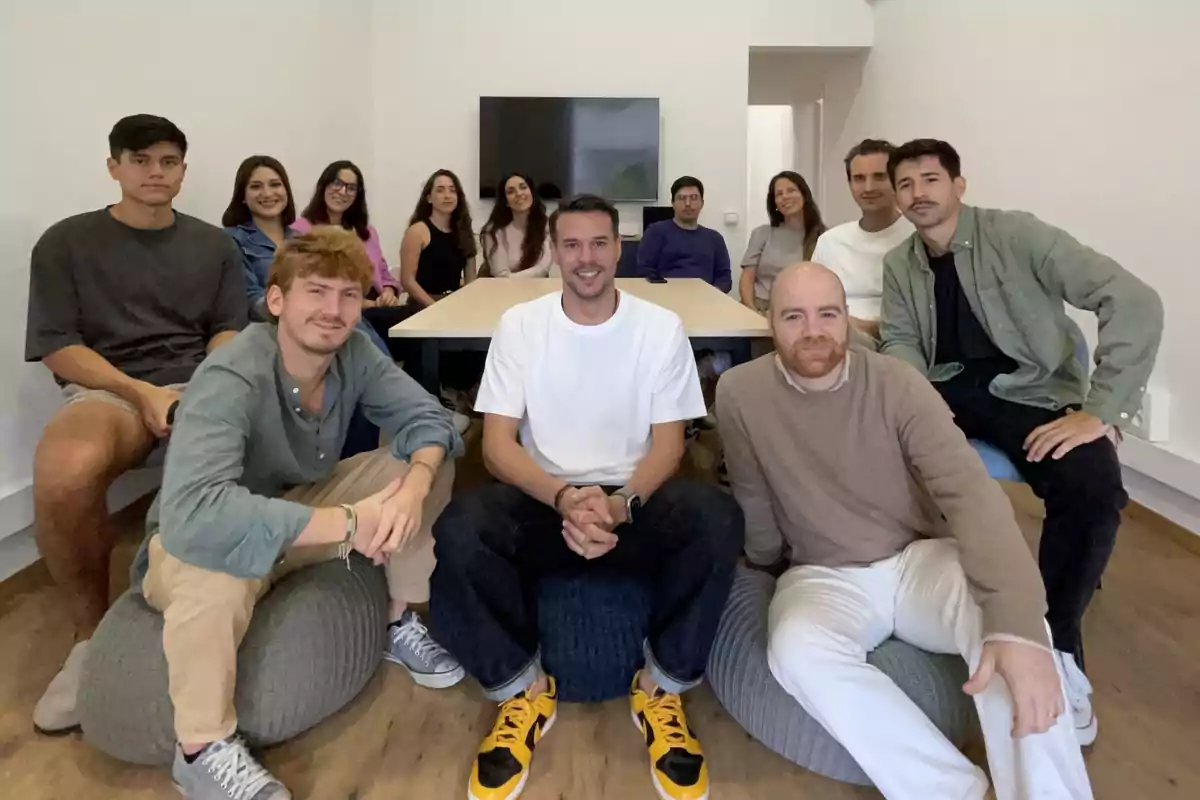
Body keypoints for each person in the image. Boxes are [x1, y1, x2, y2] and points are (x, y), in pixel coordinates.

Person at [718, 263, 1095, 800]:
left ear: (847, 318)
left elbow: (970, 492)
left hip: (917, 559)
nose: (813, 331)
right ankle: (948, 789)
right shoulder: (739, 391)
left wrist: (1018, 627)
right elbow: (752, 493)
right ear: (768, 321)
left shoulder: (896, 382)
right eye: (793, 316)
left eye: (828, 314)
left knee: (1010, 628)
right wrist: (760, 563)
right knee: (793, 649)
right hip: (822, 574)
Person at [131, 226, 466, 800]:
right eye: (316, 292)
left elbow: (432, 421)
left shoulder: (354, 351)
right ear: (278, 300)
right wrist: (352, 525)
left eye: (348, 295)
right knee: (215, 573)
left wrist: (411, 490)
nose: (333, 311)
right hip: (202, 533)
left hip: (298, 512)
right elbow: (198, 510)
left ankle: (393, 618)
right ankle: (201, 748)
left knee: (419, 464)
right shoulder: (231, 374)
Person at [430, 195, 744, 800]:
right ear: (554, 251)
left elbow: (669, 446)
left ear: (618, 248)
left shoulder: (659, 328)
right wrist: (564, 498)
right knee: (460, 528)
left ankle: (662, 687)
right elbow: (497, 445)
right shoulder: (522, 325)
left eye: (599, 243)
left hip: (633, 499)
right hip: (544, 499)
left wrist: (622, 503)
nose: (587, 258)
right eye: (571, 245)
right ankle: (521, 689)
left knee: (717, 517)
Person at [879, 139, 1163, 745]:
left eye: (930, 179)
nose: (917, 194)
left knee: (1093, 484)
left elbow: (1134, 301)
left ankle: (1056, 644)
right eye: (904, 184)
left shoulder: (1020, 236)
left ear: (959, 184)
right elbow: (901, 342)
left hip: (1030, 393)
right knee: (884, 449)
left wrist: (1100, 410)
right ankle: (913, 607)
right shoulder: (900, 263)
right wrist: (910, 399)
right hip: (946, 392)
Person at [25, 114, 248, 736]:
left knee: (229, 466)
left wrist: (204, 389)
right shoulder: (66, 243)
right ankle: (90, 638)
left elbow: (227, 330)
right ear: (114, 166)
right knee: (64, 471)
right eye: (141, 159)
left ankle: (199, 627)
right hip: (109, 389)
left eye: (169, 161)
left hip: (197, 384)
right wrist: (138, 392)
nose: (156, 172)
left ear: (183, 169)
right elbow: (57, 346)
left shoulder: (213, 245)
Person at [292, 160, 403, 352]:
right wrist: (362, 302)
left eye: (351, 188)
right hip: (344, 309)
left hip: (378, 306)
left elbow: (384, 273)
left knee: (419, 328)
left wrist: (389, 292)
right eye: (337, 183)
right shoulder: (301, 230)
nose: (343, 192)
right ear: (323, 186)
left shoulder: (366, 232)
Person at [811, 139, 913, 338]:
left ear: (898, 180)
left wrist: (865, 327)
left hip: (895, 342)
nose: (868, 187)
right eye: (859, 178)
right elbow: (811, 300)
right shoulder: (830, 242)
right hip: (831, 339)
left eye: (879, 177)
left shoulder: (918, 238)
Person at [739, 170, 826, 313]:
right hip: (760, 306)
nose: (785, 197)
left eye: (791, 190)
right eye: (779, 194)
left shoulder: (823, 236)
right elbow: (747, 280)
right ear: (774, 203)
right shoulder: (762, 233)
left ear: (804, 195)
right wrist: (752, 312)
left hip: (801, 310)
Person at [637, 176, 732, 292]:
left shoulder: (715, 238)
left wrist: (713, 294)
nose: (688, 204)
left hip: (706, 299)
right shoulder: (656, 232)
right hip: (666, 297)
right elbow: (644, 270)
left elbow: (725, 278)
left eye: (693, 198)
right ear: (673, 203)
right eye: (682, 198)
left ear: (702, 203)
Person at [400, 168, 478, 306]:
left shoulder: (464, 232)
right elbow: (407, 281)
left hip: (454, 303)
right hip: (423, 305)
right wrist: (435, 307)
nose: (447, 195)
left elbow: (471, 280)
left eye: (452, 190)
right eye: (440, 190)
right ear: (429, 198)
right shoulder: (417, 231)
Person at [480, 172, 555, 278]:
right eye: (511, 192)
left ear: (531, 193)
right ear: (505, 201)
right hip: (502, 291)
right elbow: (501, 275)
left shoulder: (547, 227)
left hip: (537, 288)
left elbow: (543, 269)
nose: (519, 193)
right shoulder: (493, 231)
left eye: (523, 187)